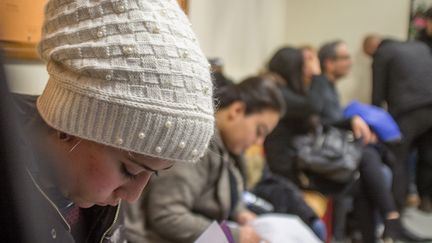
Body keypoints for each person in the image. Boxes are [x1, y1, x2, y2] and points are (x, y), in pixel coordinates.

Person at [13, 0, 215, 242]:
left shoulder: (93, 192)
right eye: (129, 170)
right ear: (66, 125)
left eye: (154, 174)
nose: (133, 196)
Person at [265, 45, 427, 242]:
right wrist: (318, 75)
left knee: (367, 168)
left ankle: (385, 226)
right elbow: (312, 110)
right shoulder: (278, 92)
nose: (307, 68)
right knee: (366, 166)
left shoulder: (286, 91)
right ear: (292, 67)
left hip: (306, 159)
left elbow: (317, 119)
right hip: (294, 168)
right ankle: (389, 223)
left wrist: (351, 121)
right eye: (304, 63)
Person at [126, 74, 286, 243]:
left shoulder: (227, 148)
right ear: (236, 110)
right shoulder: (197, 144)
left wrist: (240, 213)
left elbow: (229, 192)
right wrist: (231, 235)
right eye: (259, 131)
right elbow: (167, 215)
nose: (259, 142)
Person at [363, 34, 432, 213]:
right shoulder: (420, 47)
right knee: (428, 156)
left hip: (408, 111)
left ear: (374, 47)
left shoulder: (383, 53)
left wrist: (373, 124)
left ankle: (395, 208)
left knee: (397, 158)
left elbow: (376, 95)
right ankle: (426, 199)